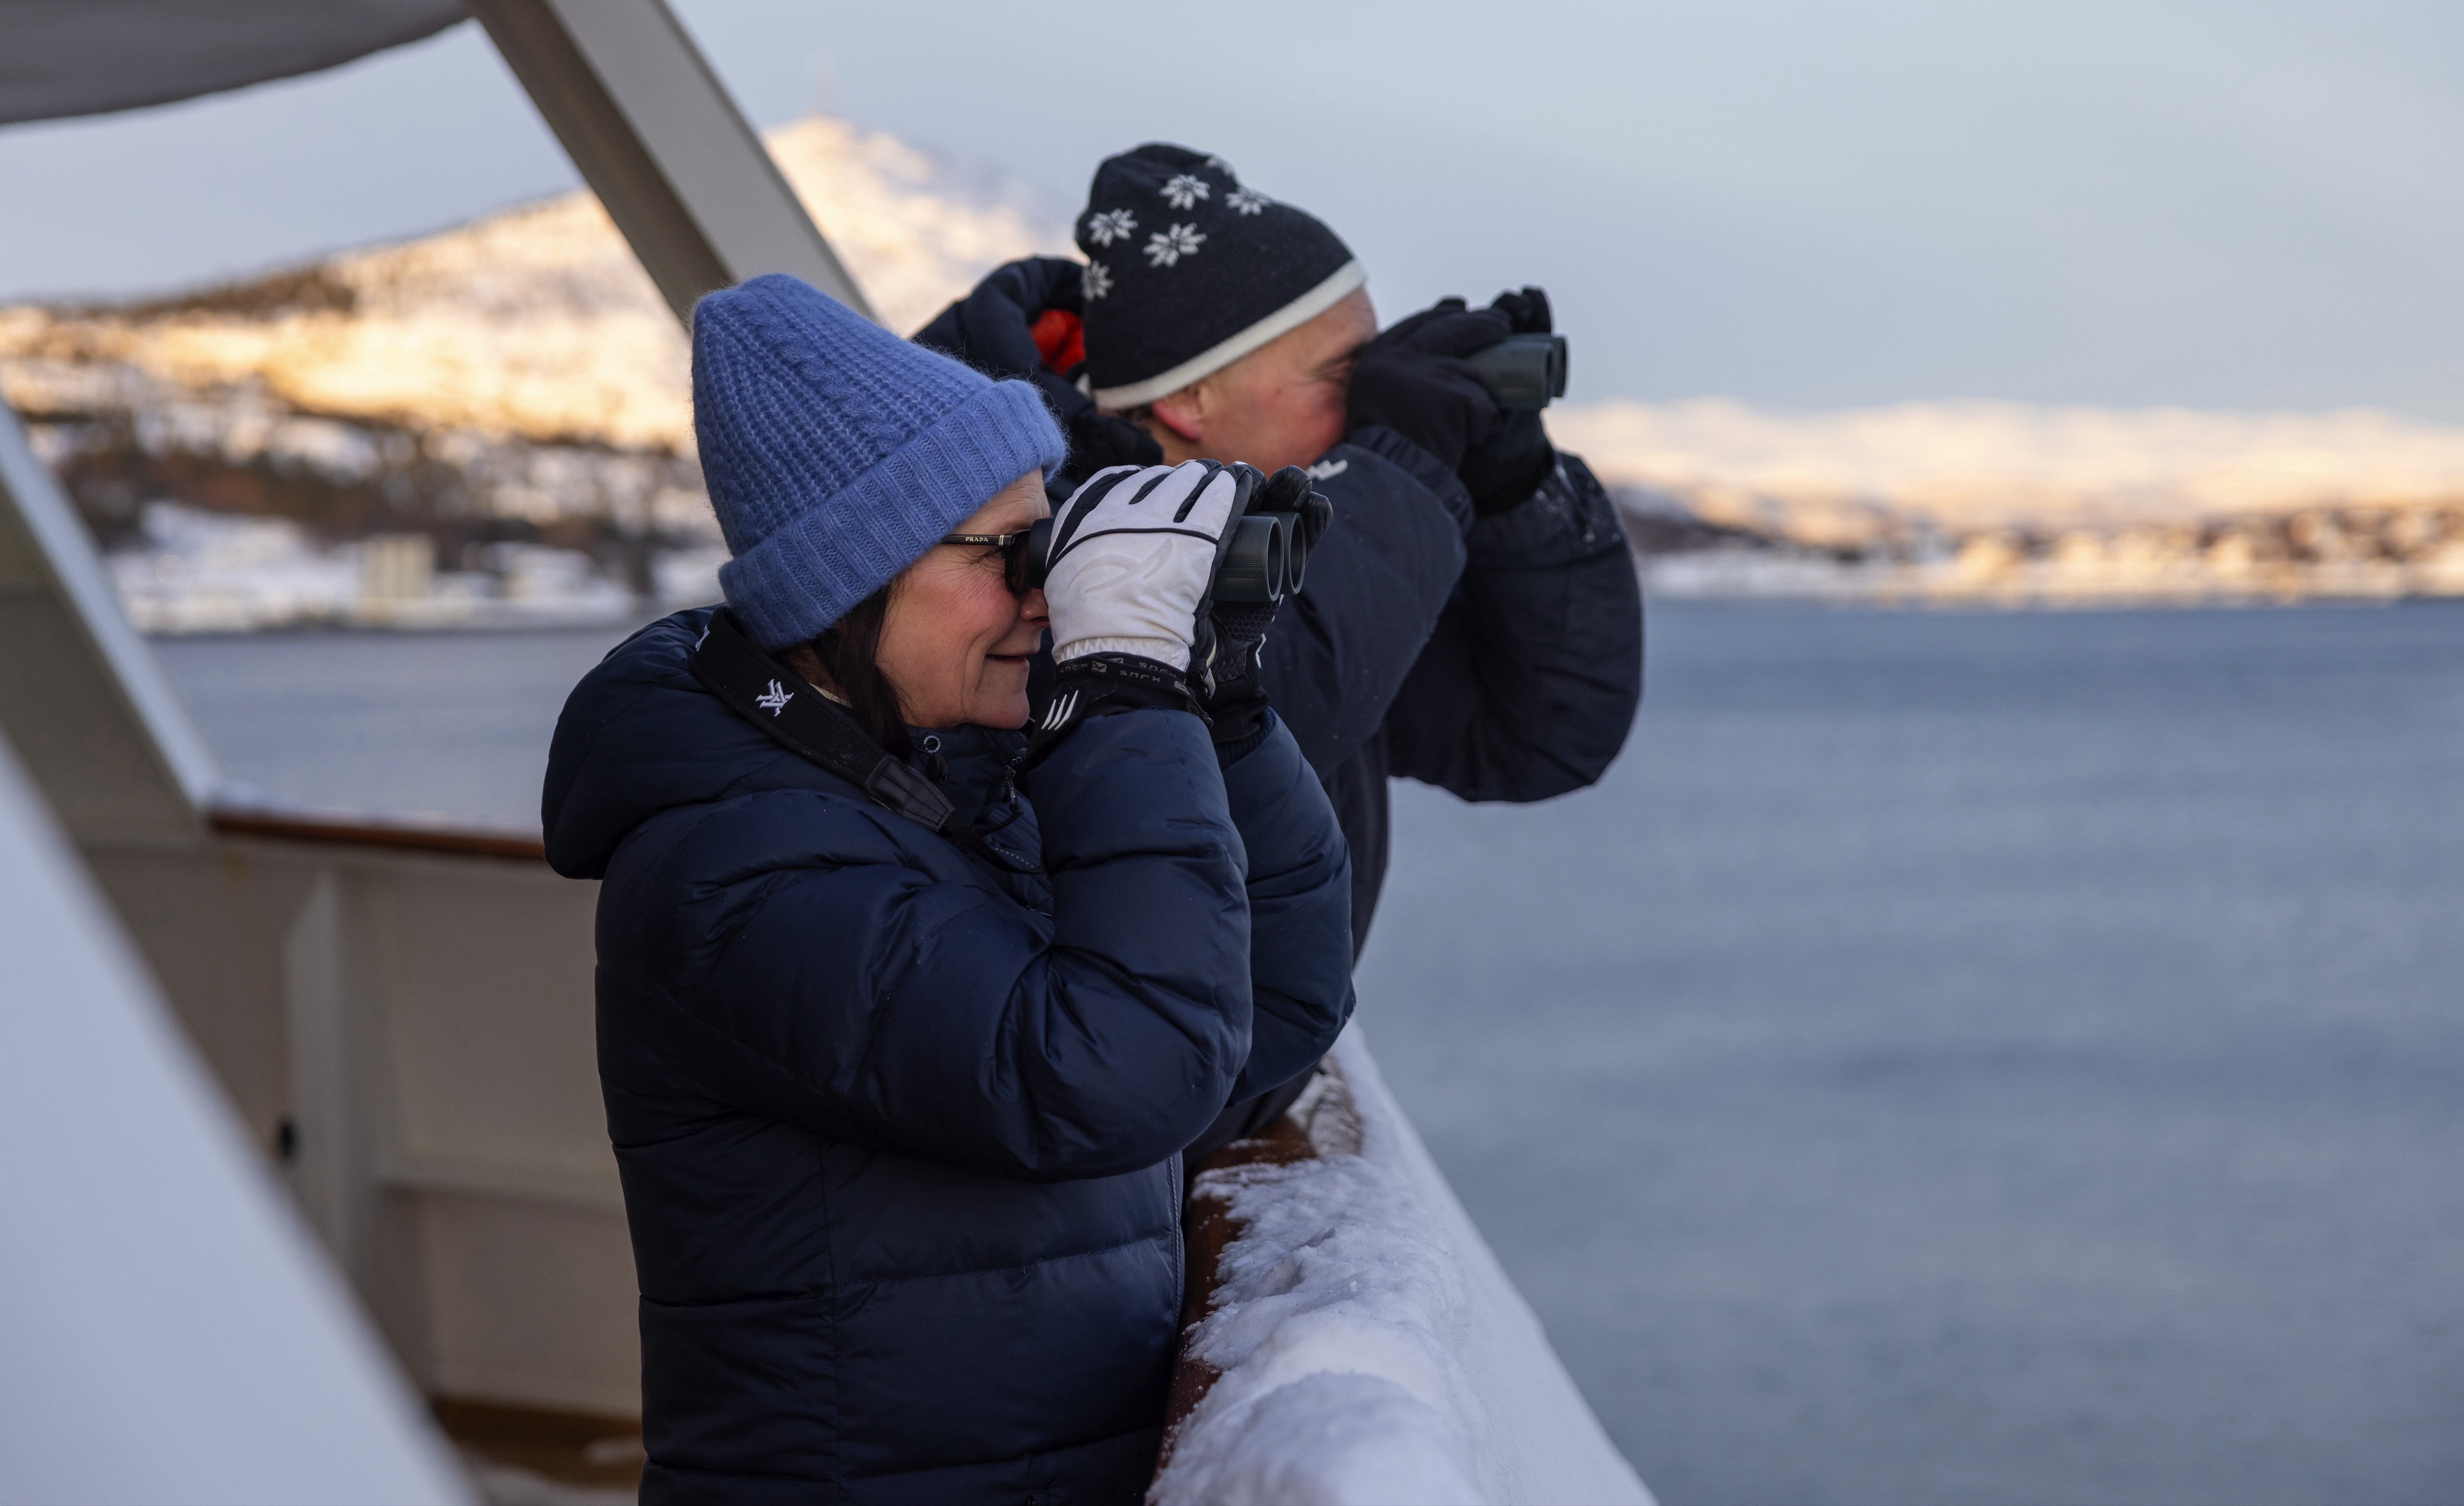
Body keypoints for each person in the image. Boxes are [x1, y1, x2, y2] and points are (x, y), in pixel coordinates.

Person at [542, 274, 1354, 1505]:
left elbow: (1268, 1017)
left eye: (1055, 542)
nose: (1045, 593)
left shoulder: (946, 779)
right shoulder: (729, 876)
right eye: (1007, 553)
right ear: (846, 581)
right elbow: (1120, 1072)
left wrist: (1218, 708)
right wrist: (1121, 686)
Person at [917, 144, 1645, 979]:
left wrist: (1517, 484)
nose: (1370, 400)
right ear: (1189, 400)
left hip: (1213, 1074)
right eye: (1345, 374)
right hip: (1103, 1080)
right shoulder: (1030, 533)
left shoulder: (1308, 546)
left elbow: (1535, 736)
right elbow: (1258, 703)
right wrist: (1404, 454)